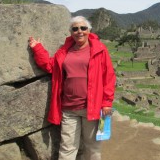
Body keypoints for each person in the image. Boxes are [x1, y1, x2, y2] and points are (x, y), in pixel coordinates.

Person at [28, 16, 116, 160]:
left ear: (89, 30)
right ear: (71, 32)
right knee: (67, 147)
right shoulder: (64, 51)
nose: (79, 31)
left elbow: (109, 76)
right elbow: (50, 66)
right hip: (69, 108)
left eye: (83, 28)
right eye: (75, 29)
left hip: (92, 108)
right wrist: (37, 48)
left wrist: (107, 102)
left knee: (92, 147)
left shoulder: (99, 49)